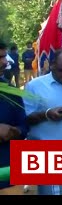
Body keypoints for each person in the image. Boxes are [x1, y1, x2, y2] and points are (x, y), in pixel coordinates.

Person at [23, 47, 62, 195]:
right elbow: (25, 119)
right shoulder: (34, 86)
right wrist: (46, 114)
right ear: (52, 65)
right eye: (61, 70)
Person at [0, 42, 28, 194]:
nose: (5, 62)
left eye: (4, 56)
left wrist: (13, 131)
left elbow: (24, 126)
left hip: (9, 177)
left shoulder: (10, 91)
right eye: (0, 57)